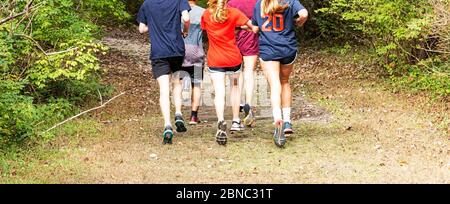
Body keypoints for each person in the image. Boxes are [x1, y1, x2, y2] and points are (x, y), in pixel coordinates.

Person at [252, 0, 308, 147]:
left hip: (269, 49)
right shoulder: (290, 1)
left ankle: (278, 119)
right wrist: (298, 22)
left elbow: (255, 28)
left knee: (275, 84)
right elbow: (304, 14)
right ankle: (288, 121)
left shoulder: (260, 4)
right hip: (288, 48)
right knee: (284, 82)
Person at [201, 0, 258, 145]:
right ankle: (235, 121)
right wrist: (244, 27)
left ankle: (221, 121)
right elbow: (253, 28)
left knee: (219, 92)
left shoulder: (206, 14)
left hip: (215, 60)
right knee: (234, 87)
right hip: (233, 59)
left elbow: (207, 29)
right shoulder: (234, 13)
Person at [137, 0, 191, 145]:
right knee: (177, 82)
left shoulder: (147, 4)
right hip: (177, 50)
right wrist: (185, 31)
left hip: (159, 52)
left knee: (164, 90)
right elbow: (186, 18)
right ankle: (178, 113)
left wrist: (154, 26)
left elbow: (141, 28)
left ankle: (167, 125)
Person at [173, 0, 206, 126]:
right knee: (196, 84)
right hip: (196, 52)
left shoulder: (176, 10)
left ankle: (178, 112)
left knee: (177, 83)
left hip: (179, 52)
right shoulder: (203, 12)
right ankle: (193, 116)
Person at [228, 0, 259, 128]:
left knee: (236, 73)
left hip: (234, 38)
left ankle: (238, 101)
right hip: (251, 37)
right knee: (249, 72)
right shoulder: (257, 2)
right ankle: (248, 103)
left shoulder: (231, 3)